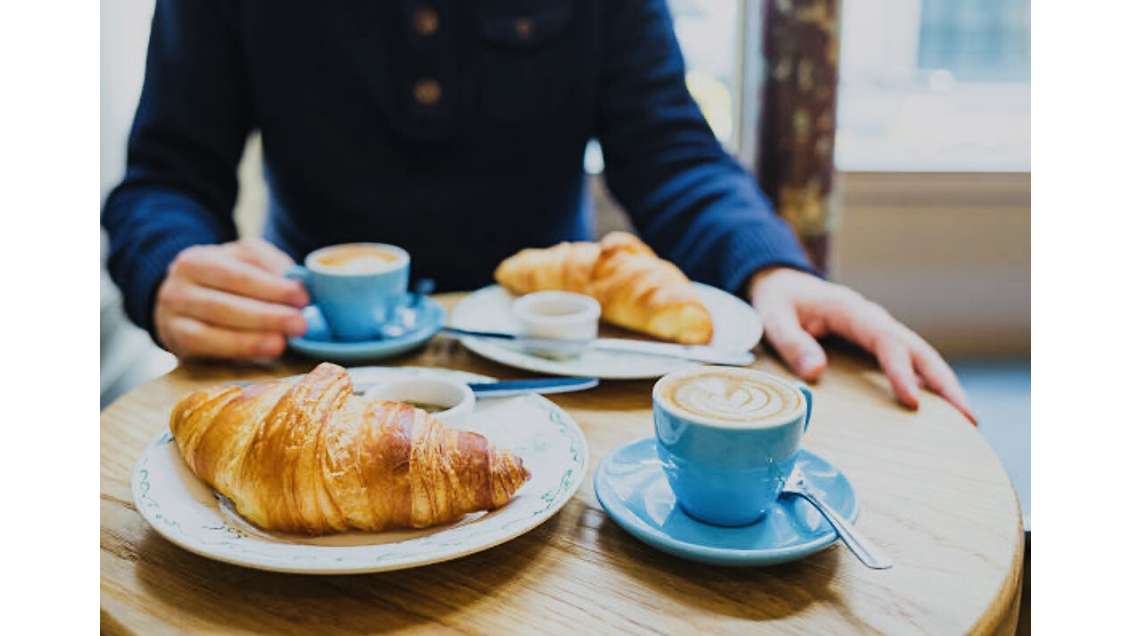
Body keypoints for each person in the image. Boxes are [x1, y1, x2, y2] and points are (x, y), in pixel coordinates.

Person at [102, 0, 974, 423]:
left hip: (559, 376)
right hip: (308, 370)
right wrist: (168, 266)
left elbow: (668, 149)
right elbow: (165, 178)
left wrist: (769, 265)